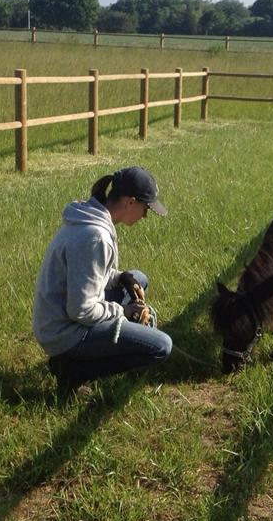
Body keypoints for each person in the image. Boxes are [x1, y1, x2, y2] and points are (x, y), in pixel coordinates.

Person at [33, 166, 172, 393]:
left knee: (138, 277)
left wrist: (121, 278)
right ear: (130, 202)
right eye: (146, 208)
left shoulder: (91, 218)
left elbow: (90, 275)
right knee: (160, 346)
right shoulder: (95, 237)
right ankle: (73, 371)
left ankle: (78, 361)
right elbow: (81, 310)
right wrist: (124, 312)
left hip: (60, 321)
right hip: (63, 334)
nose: (145, 215)